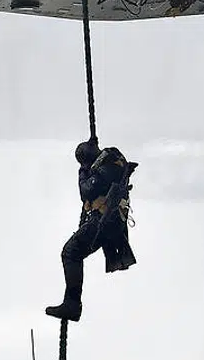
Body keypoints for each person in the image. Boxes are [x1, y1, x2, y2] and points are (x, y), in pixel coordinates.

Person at [46, 138, 138, 323]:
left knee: (71, 252)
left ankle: (72, 305)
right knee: (73, 252)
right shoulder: (112, 161)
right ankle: (71, 304)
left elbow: (86, 190)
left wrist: (82, 171)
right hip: (111, 220)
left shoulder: (106, 168)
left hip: (105, 221)